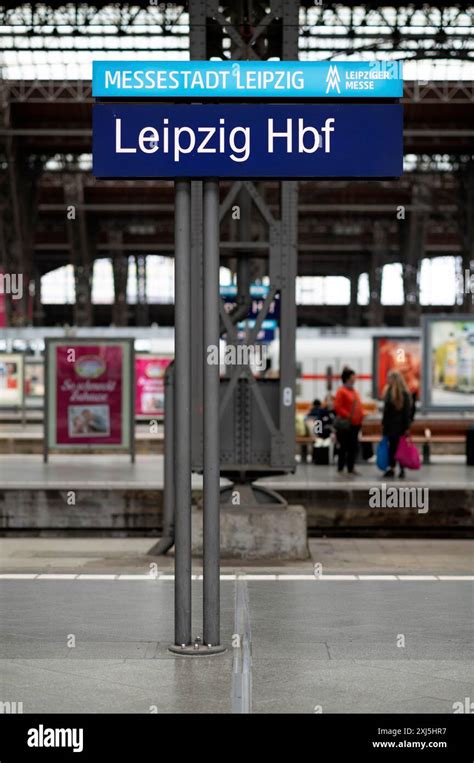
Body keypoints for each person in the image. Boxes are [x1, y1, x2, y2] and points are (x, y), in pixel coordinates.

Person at [334, 368, 364, 474]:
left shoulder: (354, 391)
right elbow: (338, 407)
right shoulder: (341, 391)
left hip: (355, 424)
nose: (355, 379)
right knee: (344, 446)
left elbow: (357, 406)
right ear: (347, 378)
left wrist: (361, 415)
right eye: (353, 377)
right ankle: (341, 467)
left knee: (353, 446)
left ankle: (350, 467)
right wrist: (348, 416)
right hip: (346, 424)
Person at [382, 370, 411, 478]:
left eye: (389, 378)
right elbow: (386, 412)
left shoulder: (404, 394)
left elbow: (407, 413)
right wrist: (384, 425)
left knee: (399, 448)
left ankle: (400, 468)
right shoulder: (388, 392)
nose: (387, 380)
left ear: (394, 380)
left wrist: (407, 427)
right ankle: (392, 467)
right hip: (390, 426)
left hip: (400, 426)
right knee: (392, 447)